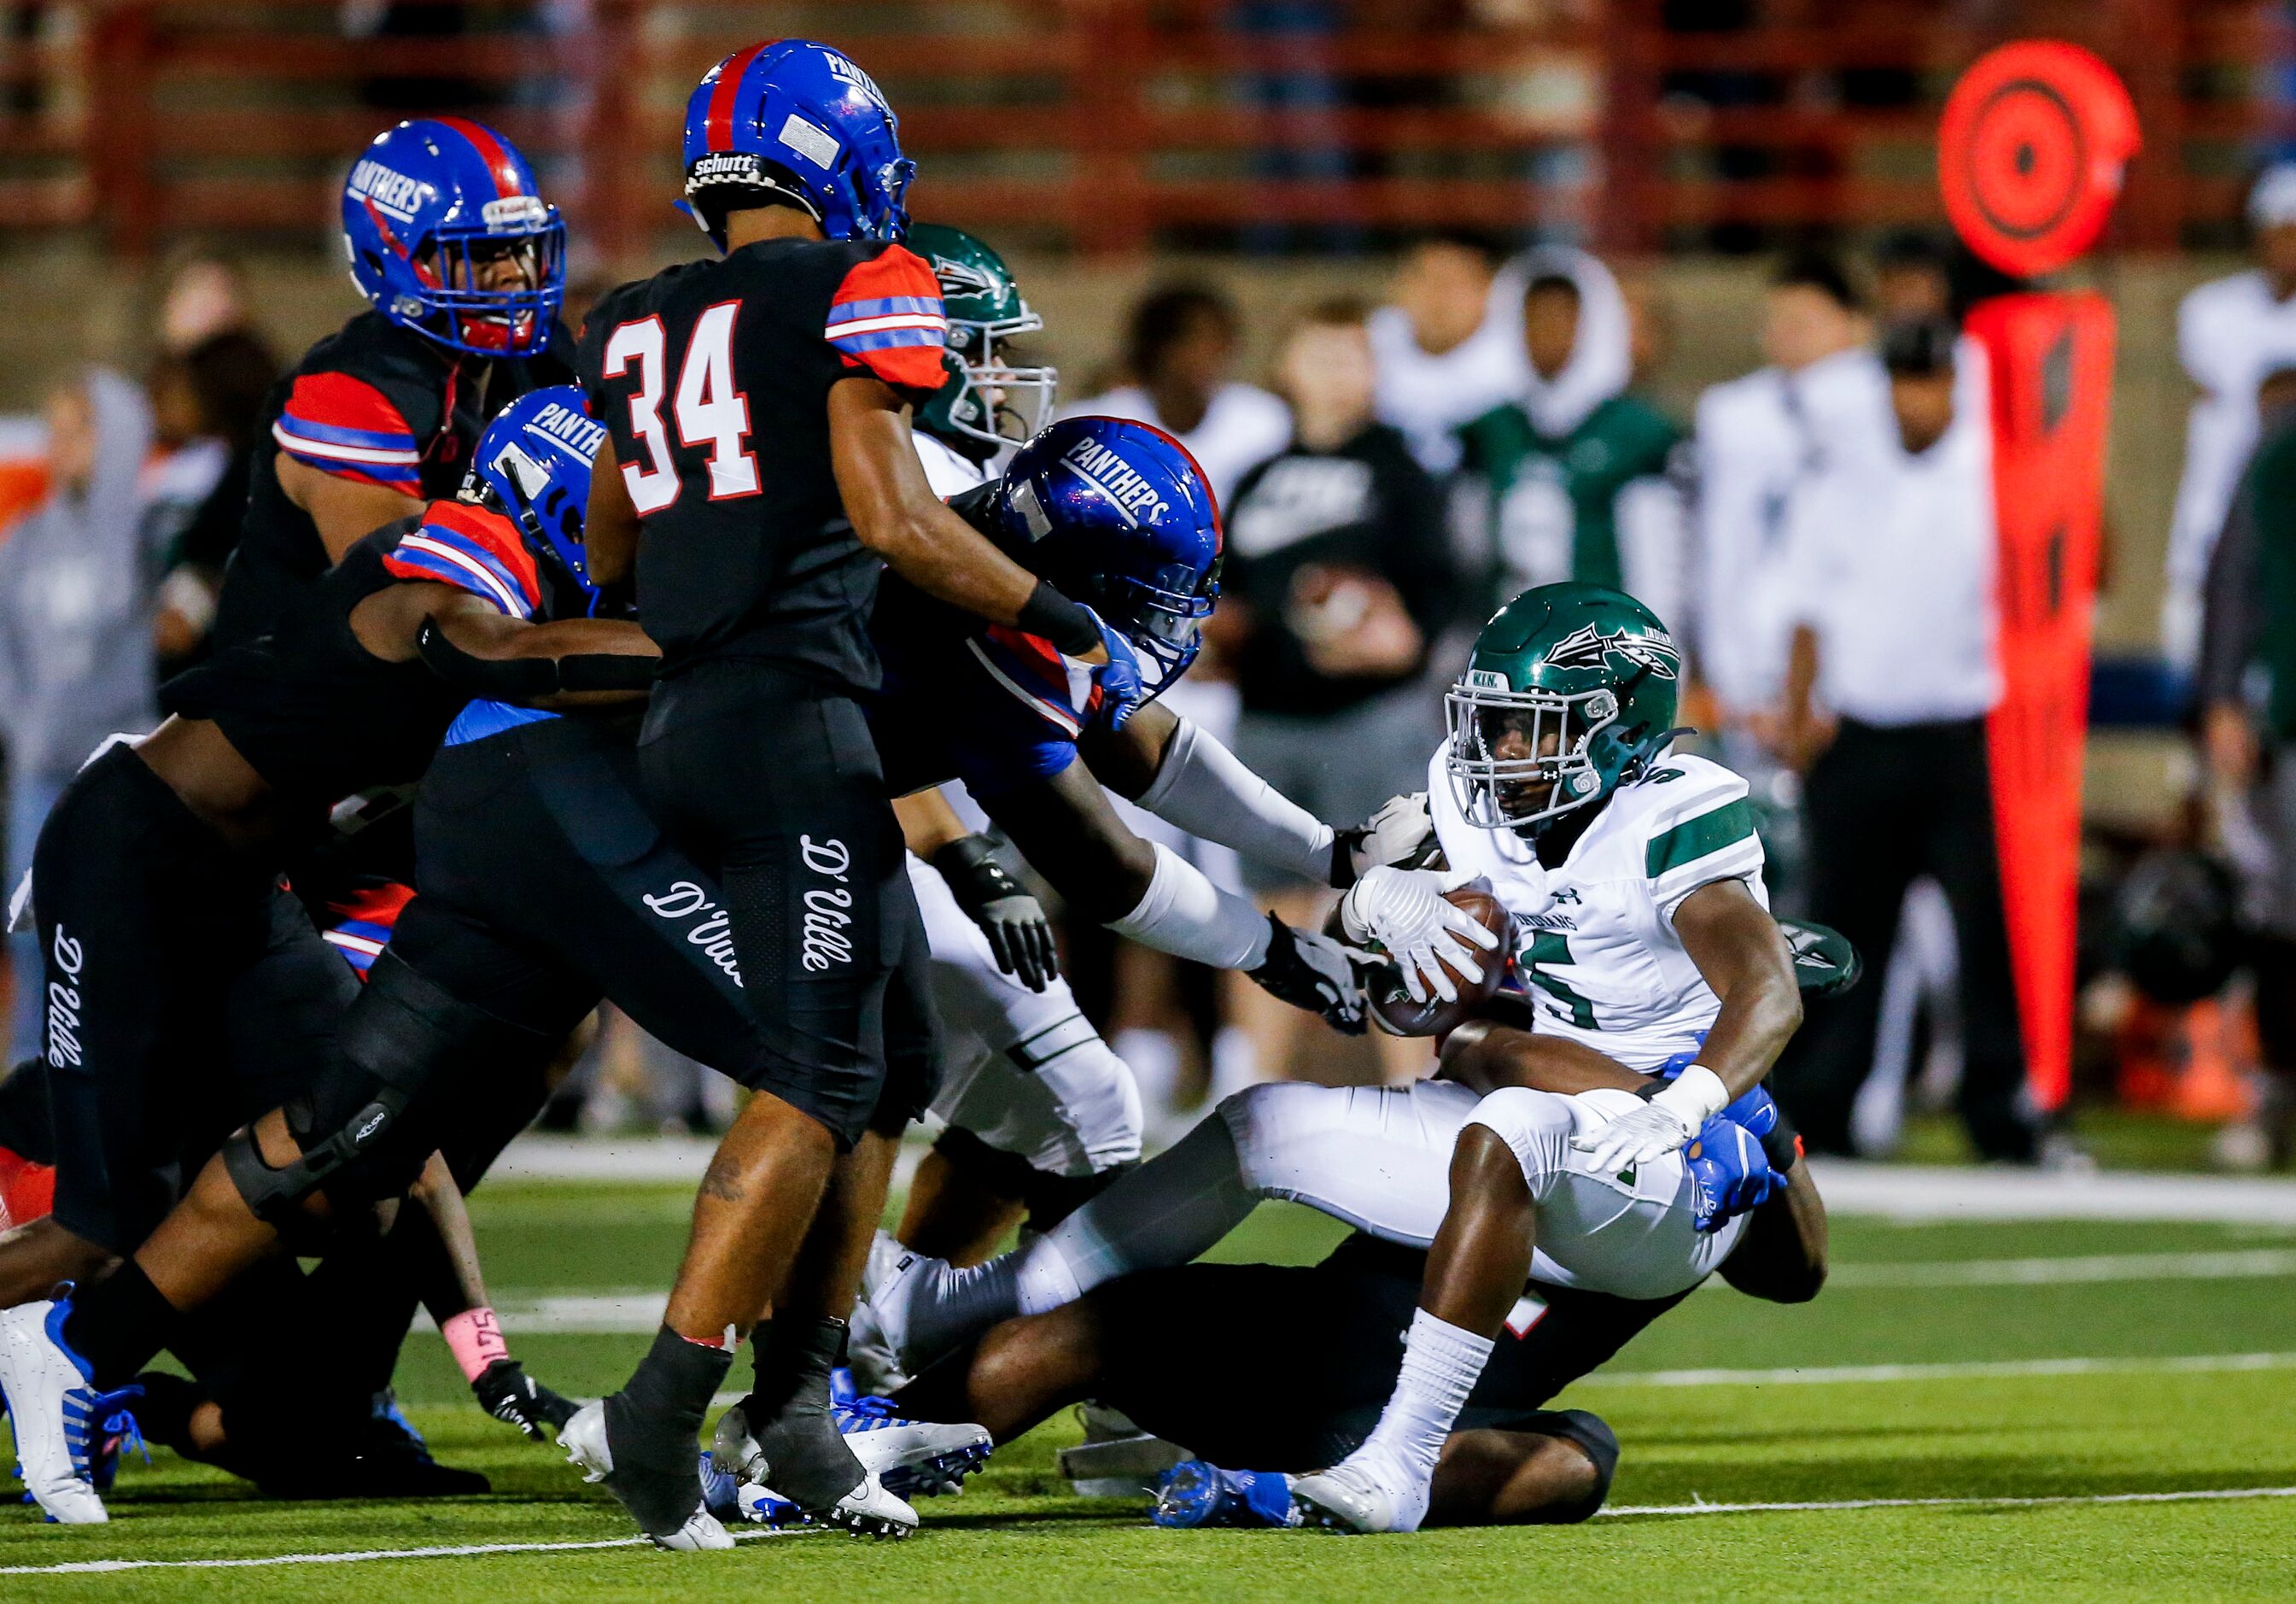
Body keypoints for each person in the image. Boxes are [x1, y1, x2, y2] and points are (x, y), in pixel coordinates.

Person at [564, 39, 1154, 1551]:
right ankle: (660, 1404)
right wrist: (1064, 617)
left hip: (693, 706)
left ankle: (800, 1401)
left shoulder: (638, 316)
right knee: (822, 1073)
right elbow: (897, 519)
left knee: (888, 1055)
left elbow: (616, 550)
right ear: (828, 152)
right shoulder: (860, 280)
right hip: (789, 719)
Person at [854, 582, 1811, 1436]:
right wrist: (1373, 903)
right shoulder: (1470, 800)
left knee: (1510, 1130)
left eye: (1536, 727)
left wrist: (1692, 1105)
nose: (1502, 748)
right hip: (1518, 1112)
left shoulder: (1674, 815)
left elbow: (1758, 1012)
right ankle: (982, 1306)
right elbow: (1401, 1002)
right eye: (1495, 720)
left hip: (1639, 1147)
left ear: (1621, 732)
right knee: (1262, 1124)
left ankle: (1396, 1454)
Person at [0, 387, 657, 1524]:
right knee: (102, 1221)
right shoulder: (458, 556)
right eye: (615, 501)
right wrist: (711, 650)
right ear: (551, 489)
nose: (632, 528)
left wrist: (486, 1352)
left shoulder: (519, 580)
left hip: (243, 897)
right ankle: (51, 1337)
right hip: (133, 862)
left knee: (372, 1135)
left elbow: (419, 1155)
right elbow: (509, 653)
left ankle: (121, 1389)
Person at [887, 1055, 1825, 1531]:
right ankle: (881, 1424)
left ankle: (868, 1432)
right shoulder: (1577, 1086)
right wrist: (1717, 1099)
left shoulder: (1711, 1171)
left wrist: (1757, 1120)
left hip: (1333, 1389)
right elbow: (1485, 1047)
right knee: (1584, 1453)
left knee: (1108, 1324)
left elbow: (1795, 1274)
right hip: (1336, 1379)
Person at [1767, 317, 2036, 1163]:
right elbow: (1806, 605)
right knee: (1846, 933)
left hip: (1967, 731)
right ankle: (1824, 1107)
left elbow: (2080, 565)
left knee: (1990, 934)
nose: (1916, 396)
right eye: (1903, 378)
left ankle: (2000, 1107)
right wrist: (1800, 714)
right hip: (1861, 733)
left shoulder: (2000, 469)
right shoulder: (1844, 473)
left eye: (1931, 378)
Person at [214, 115, 571, 651]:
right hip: (306, 707)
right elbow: (409, 605)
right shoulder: (346, 394)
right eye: (480, 254)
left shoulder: (542, 359)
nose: (514, 274)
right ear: (396, 257)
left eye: (521, 246)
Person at [1218, 298, 1460, 1082]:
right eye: (1320, 355)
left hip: (1370, 717)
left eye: (1352, 356)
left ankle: (1413, 1080)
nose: (1335, 374)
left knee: (1398, 902)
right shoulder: (1258, 475)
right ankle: (1257, 1081)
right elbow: (1223, 592)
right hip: (1270, 713)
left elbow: (1440, 592)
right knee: (1267, 910)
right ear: (1285, 368)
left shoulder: (1400, 470)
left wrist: (1401, 641)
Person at [0, 371, 157, 1066]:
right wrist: (25, 729)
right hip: (41, 767)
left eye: (80, 429)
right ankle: (32, 1089)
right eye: (54, 431)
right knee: (28, 932)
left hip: (124, 764)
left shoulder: (153, 535)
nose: (62, 447)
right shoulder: (27, 541)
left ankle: (116, 1080)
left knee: (121, 934)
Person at [1691, 251, 1884, 771]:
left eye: (1807, 321)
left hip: (1856, 680)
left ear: (1857, 327)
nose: (1790, 334)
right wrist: (1734, 683)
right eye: (1779, 320)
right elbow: (1724, 549)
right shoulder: (1732, 416)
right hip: (1753, 678)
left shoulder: (1889, 418)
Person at [1454, 249, 1686, 630]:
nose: (1547, 332)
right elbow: (1469, 549)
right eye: (1534, 318)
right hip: (1508, 645)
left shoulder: (1635, 430)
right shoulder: (1489, 428)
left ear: (1595, 323)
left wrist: (1656, 649)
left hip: (1603, 645)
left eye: (1563, 318)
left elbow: (1658, 558)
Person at [2197, 364, 2296, 1168]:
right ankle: (2273, 1095)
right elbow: (2233, 575)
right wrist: (2225, 694)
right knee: (2281, 918)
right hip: (2289, 720)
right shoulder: (2278, 450)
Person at [2165, 163, 2296, 670]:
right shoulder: (2211, 311)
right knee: (2200, 700)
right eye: (2278, 231)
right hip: (2209, 537)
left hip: (2286, 551)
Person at [1367, 231, 1528, 475]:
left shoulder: (1523, 358)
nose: (1438, 297)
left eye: (1454, 283)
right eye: (1425, 280)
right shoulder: (1369, 343)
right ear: (1398, 288)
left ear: (1487, 291)